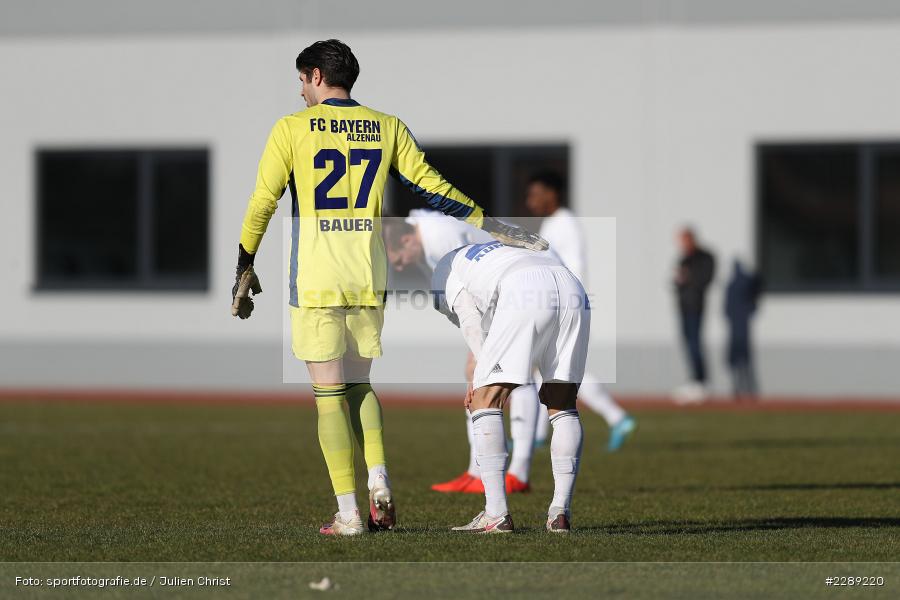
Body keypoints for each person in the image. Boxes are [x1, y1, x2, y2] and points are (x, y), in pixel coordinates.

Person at [230, 39, 547, 536]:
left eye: (301, 80)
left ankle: (350, 513)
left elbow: (262, 203)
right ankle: (380, 482)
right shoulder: (387, 125)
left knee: (328, 394)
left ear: (316, 76)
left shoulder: (291, 129)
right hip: (368, 276)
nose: (300, 91)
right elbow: (430, 184)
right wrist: (489, 221)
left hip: (317, 278)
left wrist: (244, 262)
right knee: (361, 385)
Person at [432, 242, 590, 533]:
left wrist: (478, 380)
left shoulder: (443, 273)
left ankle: (495, 514)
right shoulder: (489, 254)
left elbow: (470, 323)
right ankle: (560, 512)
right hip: (572, 288)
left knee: (486, 399)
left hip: (524, 288)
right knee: (563, 403)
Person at [384, 212, 541, 495]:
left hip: (523, 285)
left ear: (407, 240)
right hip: (499, 292)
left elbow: (470, 290)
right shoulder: (422, 239)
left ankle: (519, 472)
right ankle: (476, 471)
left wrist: (480, 350)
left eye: (398, 259)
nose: (401, 266)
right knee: (479, 372)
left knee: (520, 373)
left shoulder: (440, 237)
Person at [525, 172, 636, 451]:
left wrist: (563, 305)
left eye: (536, 194)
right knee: (548, 370)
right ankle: (538, 436)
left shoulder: (565, 224)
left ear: (553, 194)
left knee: (562, 370)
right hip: (556, 302)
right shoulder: (553, 224)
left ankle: (616, 416)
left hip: (563, 304)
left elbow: (575, 266)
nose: (530, 202)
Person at [672, 227, 716, 403]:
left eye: (683, 240)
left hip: (696, 306)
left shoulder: (705, 257)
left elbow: (705, 279)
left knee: (695, 344)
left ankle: (701, 382)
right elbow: (678, 281)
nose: (681, 244)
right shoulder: (684, 259)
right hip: (683, 307)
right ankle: (694, 381)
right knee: (688, 343)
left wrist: (688, 278)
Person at [724, 258, 762, 399]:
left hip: (737, 329)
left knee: (739, 361)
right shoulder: (743, 283)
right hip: (740, 328)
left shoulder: (733, 285)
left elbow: (726, 309)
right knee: (744, 361)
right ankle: (747, 389)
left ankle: (741, 389)